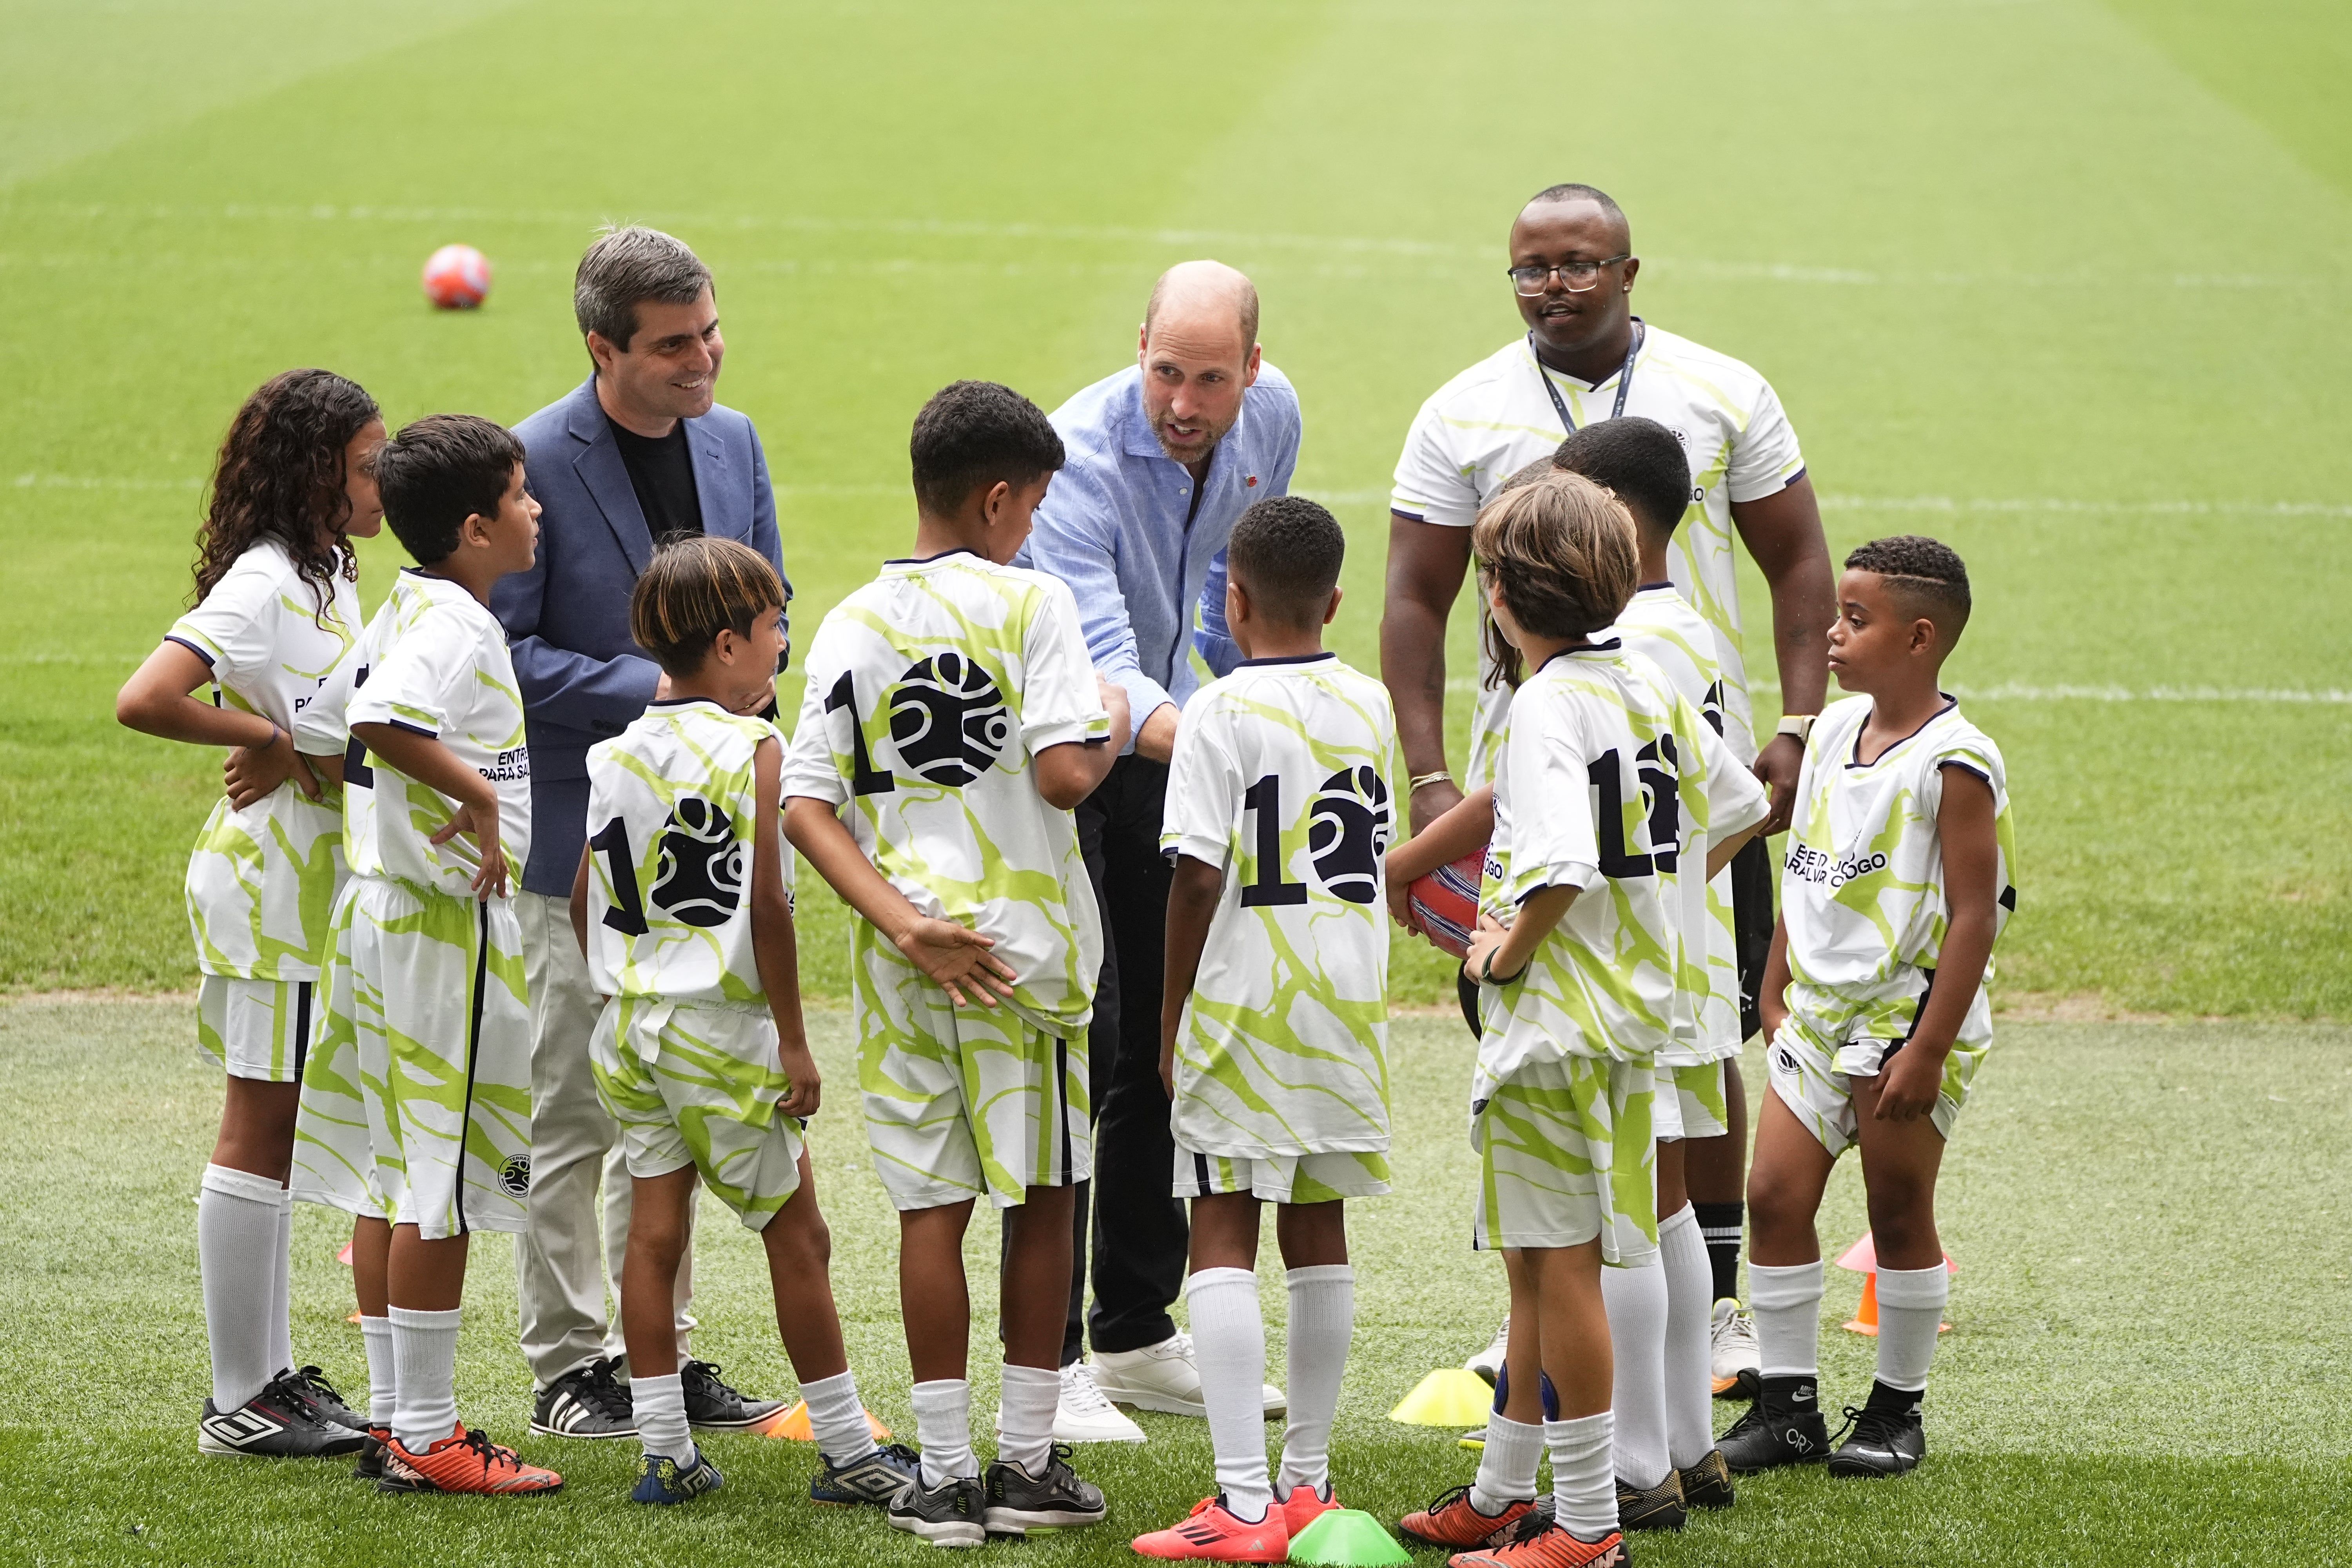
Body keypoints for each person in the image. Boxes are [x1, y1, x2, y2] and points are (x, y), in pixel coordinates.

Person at [1380, 183, 1837, 1383]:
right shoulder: (1462, 408)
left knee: (1700, 1038)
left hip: (1682, 776)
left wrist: (1796, 723)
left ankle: (1703, 1300)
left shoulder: (1723, 389)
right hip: (1527, 763)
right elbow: (1414, 596)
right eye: (1531, 268)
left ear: (1632, 270)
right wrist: (1430, 776)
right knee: (1548, 1041)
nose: (1554, 285)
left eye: (1580, 263)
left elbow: (1796, 559)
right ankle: (1549, 1292)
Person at [784, 381, 1129, 1546]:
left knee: (931, 1205)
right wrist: (1118, 716)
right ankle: (1025, 1466)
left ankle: (937, 1476)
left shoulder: (847, 622)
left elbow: (804, 805)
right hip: (1025, 959)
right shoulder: (1037, 601)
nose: (1031, 525)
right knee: (1042, 1196)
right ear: (996, 498)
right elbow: (1066, 776)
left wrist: (901, 922)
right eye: (1029, 505)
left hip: (910, 962)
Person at [1399, 474, 1733, 1568]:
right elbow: (1735, 806)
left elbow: (1559, 867)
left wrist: (1511, 946)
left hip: (1556, 1031)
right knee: (1540, 1266)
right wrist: (1657, 912)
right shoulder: (1642, 676)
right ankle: (1507, 1489)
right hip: (1638, 1020)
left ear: (1501, 591)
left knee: (1565, 1266)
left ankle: (1586, 1526)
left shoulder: (1545, 702)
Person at [497, 224, 787, 1440]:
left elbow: (768, 599)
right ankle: (572, 1366)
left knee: (662, 1115)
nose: (703, 360)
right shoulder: (531, 460)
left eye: (710, 332)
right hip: (580, 843)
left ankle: (652, 1359)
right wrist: (665, 696)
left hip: (705, 849)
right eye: (673, 346)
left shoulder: (733, 441)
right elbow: (505, 656)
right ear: (601, 346)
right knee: (572, 1110)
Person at [571, 536, 918, 1508]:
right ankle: (851, 1449)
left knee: (652, 1234)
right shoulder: (756, 748)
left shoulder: (615, 751)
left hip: (631, 1026)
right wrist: (795, 1044)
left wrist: (618, 985)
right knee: (799, 1235)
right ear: (727, 645)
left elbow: (581, 893)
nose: (782, 648)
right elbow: (769, 906)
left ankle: (665, 1452)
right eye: (773, 630)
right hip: (719, 1033)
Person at [1019, 262, 1301, 1440]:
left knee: (1159, 1040)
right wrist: (1233, 744)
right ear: (1138, 345)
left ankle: (1135, 1329)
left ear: (1251, 366)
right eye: (1165, 372)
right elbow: (1101, 669)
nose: (1185, 401)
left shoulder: (1271, 414)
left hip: (1187, 747)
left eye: (1212, 378)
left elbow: (1235, 596)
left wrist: (1249, 711)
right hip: (1085, 756)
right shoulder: (1076, 461)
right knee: (1083, 1048)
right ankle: (1054, 1363)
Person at [115, 368, 385, 1459]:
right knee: (259, 1122)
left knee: (280, 1126)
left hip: (305, 884)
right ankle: (242, 1399)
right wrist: (260, 743)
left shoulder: (330, 572)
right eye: (368, 464)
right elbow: (146, 697)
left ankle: (272, 1382)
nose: (384, 479)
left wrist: (283, 736)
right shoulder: (267, 579)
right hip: (269, 890)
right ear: (316, 472)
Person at [1130, 498, 1400, 1563]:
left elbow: (1198, 873)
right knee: (1321, 1225)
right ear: (1336, 599)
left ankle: (1240, 1508)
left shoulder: (1217, 710)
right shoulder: (1372, 701)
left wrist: (1171, 1016)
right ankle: (1308, 1486)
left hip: (1246, 995)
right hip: (1345, 996)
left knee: (1225, 1225)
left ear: (1231, 602)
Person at [297, 414, 560, 1495]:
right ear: (473, 526)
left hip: (375, 918)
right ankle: (431, 1434)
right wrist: (479, 803)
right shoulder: (456, 628)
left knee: (391, 1170)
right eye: (520, 495)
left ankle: (397, 1416)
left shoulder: (410, 601)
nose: (535, 510)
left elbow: (317, 723)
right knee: (438, 1185)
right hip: (435, 937)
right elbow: (378, 717)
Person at [1722, 537, 2016, 1481]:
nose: (1833, 632)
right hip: (1812, 1011)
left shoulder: (1959, 760)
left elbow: (1976, 914)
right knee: (1772, 1195)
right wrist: (1771, 982)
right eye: (1837, 614)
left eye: (1857, 618)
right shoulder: (1832, 736)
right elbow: (1802, 860)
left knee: (1896, 1208)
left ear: (1921, 637)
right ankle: (1790, 1408)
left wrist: (1929, 1047)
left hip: (1905, 1018)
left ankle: (1897, 1411)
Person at [1559, 418, 1769, 1523]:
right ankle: (1688, 1441)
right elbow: (1738, 797)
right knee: (1671, 1201)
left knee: (1627, 1208)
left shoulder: (1617, 644)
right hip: (1686, 955)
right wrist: (1685, 885)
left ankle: (1637, 1466)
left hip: (1627, 968)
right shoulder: (1698, 627)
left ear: (1610, 514)